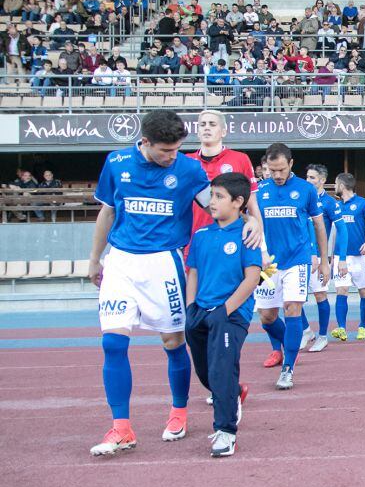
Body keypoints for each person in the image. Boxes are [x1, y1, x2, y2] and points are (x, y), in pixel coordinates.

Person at [88, 110, 260, 457]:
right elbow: (107, 211)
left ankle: (178, 412)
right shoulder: (117, 162)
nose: (173, 156)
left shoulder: (189, 169)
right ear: (146, 142)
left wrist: (252, 221)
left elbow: (218, 205)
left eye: (177, 149)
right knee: (113, 344)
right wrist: (95, 258)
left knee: (173, 342)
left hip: (165, 262)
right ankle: (121, 426)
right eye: (166, 150)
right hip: (120, 260)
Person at [184, 173, 262, 457]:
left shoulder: (247, 234)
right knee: (206, 373)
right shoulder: (201, 235)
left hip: (230, 315)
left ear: (238, 202)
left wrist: (224, 310)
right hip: (199, 313)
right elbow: (193, 272)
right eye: (211, 195)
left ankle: (225, 432)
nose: (212, 202)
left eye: (219, 197)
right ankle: (233, 391)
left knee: (220, 370)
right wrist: (192, 306)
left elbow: (252, 278)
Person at [253, 143, 331, 391]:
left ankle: (288, 369)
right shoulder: (260, 190)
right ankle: (291, 339)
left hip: (298, 260)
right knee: (267, 317)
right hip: (268, 264)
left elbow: (319, 226)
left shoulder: (306, 190)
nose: (277, 175)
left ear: (291, 164)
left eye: (281, 169)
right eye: (271, 170)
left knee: (293, 308)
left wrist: (324, 259)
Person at [186, 110, 261, 248]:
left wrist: (263, 248)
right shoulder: (187, 162)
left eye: (212, 124)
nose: (207, 127)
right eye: (202, 124)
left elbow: (252, 205)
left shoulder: (240, 159)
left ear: (223, 132)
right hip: (193, 241)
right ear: (197, 132)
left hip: (232, 240)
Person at [328, 173, 365, 341]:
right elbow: (333, 233)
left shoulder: (363, 204)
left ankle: (362, 326)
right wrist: (330, 256)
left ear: (342, 185)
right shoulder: (336, 206)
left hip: (360, 257)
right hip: (340, 257)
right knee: (341, 291)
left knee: (364, 291)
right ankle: (342, 328)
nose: (334, 186)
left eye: (336, 183)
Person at [303, 164, 347, 353]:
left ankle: (322, 336)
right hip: (299, 256)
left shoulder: (330, 203)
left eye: (312, 178)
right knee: (290, 299)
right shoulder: (301, 198)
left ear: (321, 180)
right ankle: (306, 331)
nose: (308, 181)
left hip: (320, 259)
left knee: (320, 295)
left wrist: (341, 258)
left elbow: (343, 231)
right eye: (307, 177)